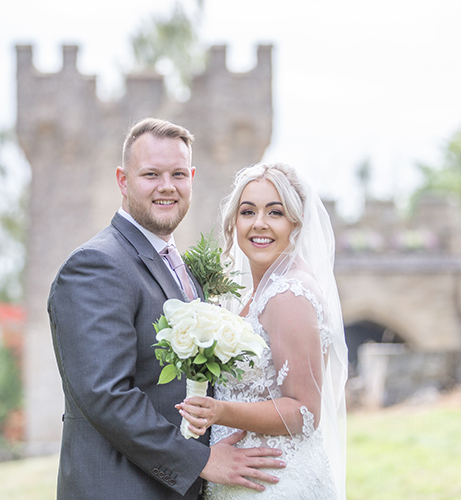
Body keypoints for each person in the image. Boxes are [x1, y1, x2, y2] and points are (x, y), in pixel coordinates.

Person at [48, 118, 285, 500]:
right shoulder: (96, 265)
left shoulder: (179, 265)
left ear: (191, 177)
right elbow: (106, 394)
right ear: (123, 181)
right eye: (150, 174)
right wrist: (199, 461)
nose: (167, 186)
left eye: (178, 174)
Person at [176, 162, 348, 499]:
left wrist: (220, 411)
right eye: (248, 211)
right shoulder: (258, 293)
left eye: (275, 212)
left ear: (295, 222)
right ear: (234, 222)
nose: (259, 223)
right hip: (246, 478)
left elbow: (304, 410)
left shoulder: (288, 295)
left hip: (273, 483)